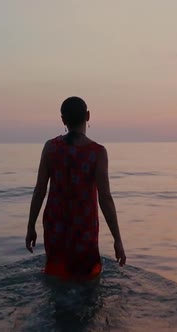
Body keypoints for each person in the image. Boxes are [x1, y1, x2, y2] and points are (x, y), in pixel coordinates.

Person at [25, 96, 126, 280]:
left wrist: (31, 226)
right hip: (84, 227)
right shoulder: (97, 153)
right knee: (86, 280)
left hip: (55, 224)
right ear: (87, 116)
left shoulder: (50, 147)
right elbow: (105, 198)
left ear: (63, 120)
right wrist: (117, 239)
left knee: (57, 276)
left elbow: (40, 190)